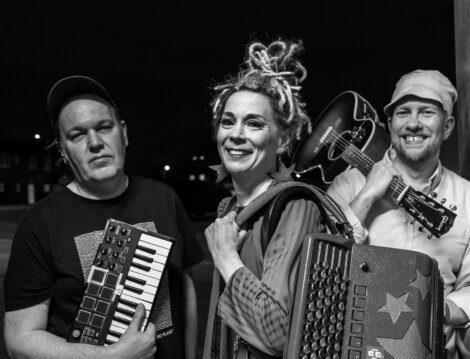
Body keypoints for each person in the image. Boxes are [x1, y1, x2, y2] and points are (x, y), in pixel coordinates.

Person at [3, 75, 204, 359]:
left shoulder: (164, 198)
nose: (95, 142)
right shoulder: (39, 224)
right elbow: (19, 341)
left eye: (104, 127)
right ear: (63, 150)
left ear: (123, 132)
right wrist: (112, 357)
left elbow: (185, 290)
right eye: (77, 135)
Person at [326, 69, 470, 358]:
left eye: (427, 112)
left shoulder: (468, 198)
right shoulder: (348, 184)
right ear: (390, 123)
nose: (413, 124)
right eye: (403, 113)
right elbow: (327, 259)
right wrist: (367, 196)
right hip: (354, 348)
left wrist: (442, 311)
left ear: (448, 126)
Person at [202, 40, 324, 359]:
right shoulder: (228, 210)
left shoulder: (295, 206)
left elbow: (280, 335)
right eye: (228, 121)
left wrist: (226, 255)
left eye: (254, 123)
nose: (236, 134)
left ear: (282, 140)